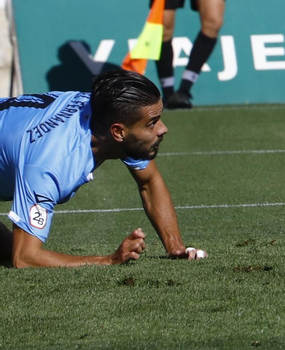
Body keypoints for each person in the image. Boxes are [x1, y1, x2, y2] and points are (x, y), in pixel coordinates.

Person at [2, 70, 206, 268]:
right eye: (152, 123)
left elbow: (149, 181)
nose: (163, 129)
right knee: (12, 250)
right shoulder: (51, 164)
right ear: (118, 132)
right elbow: (25, 258)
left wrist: (176, 248)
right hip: (41, 155)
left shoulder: (108, 111)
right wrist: (109, 260)